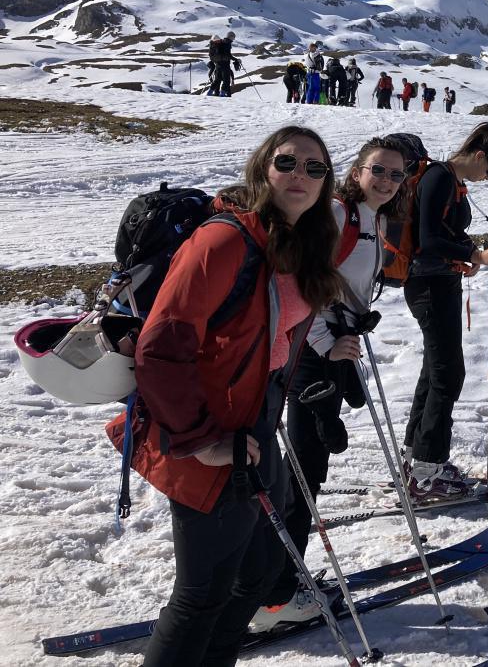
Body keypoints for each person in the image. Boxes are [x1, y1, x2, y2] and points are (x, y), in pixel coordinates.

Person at [131, 126, 341, 666]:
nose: (300, 175)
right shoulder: (224, 240)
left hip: (256, 427)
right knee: (202, 593)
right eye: (288, 162)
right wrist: (203, 440)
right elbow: (159, 348)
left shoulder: (297, 243)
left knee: (259, 571)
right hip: (209, 432)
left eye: (314, 168)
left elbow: (271, 334)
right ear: (263, 167)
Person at [257, 135, 412, 628]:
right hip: (309, 354)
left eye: (395, 174)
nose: (386, 181)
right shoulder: (341, 215)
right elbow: (307, 282)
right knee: (303, 470)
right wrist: (326, 340)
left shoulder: (374, 217)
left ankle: (276, 579)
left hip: (333, 349)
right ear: (357, 171)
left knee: (308, 466)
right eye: (378, 170)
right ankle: (274, 597)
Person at [403, 122, 488, 497]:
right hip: (429, 286)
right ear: (479, 156)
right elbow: (427, 239)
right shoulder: (439, 177)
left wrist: (470, 254)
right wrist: (473, 254)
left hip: (438, 282)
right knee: (449, 374)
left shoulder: (450, 181)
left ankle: (416, 458)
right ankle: (427, 471)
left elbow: (443, 233)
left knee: (435, 370)